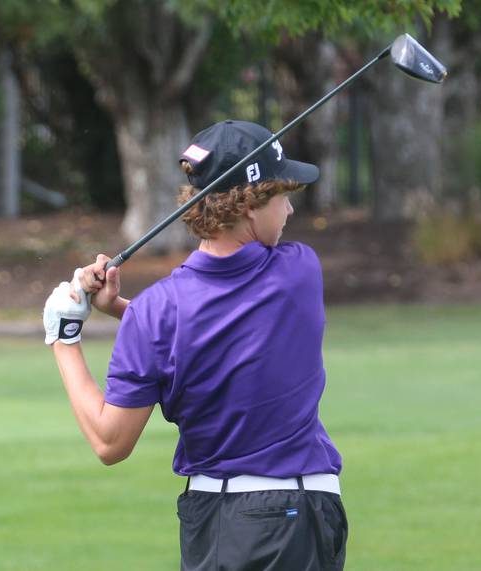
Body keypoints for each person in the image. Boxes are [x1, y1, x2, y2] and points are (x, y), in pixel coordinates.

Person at [42, 120, 348, 571]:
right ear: (249, 205)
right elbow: (224, 332)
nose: (290, 212)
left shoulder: (158, 313)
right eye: (283, 196)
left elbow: (110, 442)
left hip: (221, 519)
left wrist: (64, 337)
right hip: (305, 514)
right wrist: (127, 312)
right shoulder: (298, 272)